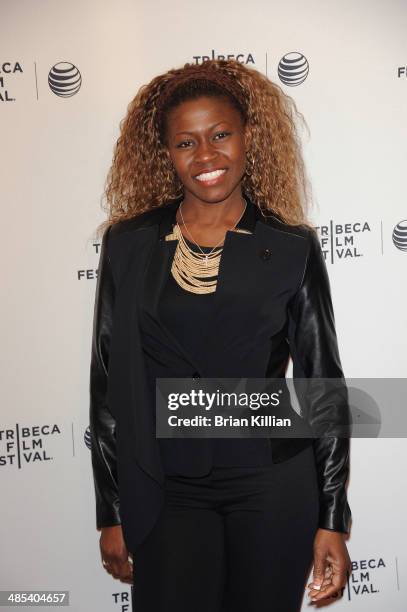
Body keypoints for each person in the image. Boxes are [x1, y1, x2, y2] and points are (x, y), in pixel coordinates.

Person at [89, 59, 352, 611]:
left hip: (272, 484)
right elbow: (108, 382)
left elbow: (322, 384)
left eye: (220, 135)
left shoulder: (290, 247)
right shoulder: (129, 244)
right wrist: (111, 509)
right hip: (165, 488)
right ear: (167, 153)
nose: (206, 157)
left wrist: (331, 518)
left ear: (247, 137)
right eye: (186, 142)